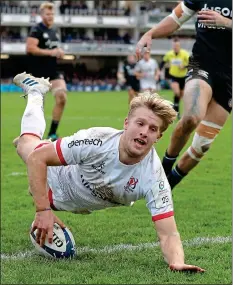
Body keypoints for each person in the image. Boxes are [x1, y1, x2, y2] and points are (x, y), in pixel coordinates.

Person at [12, 71, 204, 273]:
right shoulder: (96, 140)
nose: (144, 132)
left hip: (77, 203)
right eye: (140, 123)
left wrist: (178, 262)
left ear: (158, 136)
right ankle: (36, 91)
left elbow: (169, 234)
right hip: (56, 174)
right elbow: (38, 159)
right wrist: (42, 210)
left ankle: (36, 148)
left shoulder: (154, 177)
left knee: (31, 149)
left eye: (152, 129)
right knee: (28, 147)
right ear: (126, 123)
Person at [136, 0, 232, 190]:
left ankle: (164, 187)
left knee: (201, 146)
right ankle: (163, 169)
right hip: (200, 65)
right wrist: (150, 33)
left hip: (229, 78)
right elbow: (175, 19)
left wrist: (227, 22)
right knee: (190, 117)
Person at [26, 2, 67, 141]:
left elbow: (54, 48)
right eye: (47, 14)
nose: (50, 16)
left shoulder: (55, 30)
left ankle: (52, 133)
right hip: (38, 72)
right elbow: (30, 48)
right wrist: (51, 52)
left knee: (62, 98)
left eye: (52, 14)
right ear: (42, 15)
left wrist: (59, 52)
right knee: (38, 107)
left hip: (54, 71)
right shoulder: (36, 29)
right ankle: (34, 135)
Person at [160, 37, 190, 119]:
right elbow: (163, 62)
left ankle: (175, 107)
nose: (175, 47)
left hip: (183, 77)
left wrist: (184, 66)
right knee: (176, 92)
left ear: (179, 46)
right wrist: (159, 70)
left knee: (181, 95)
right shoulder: (169, 54)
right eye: (174, 46)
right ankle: (177, 112)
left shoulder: (184, 54)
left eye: (177, 46)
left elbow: (192, 63)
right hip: (173, 76)